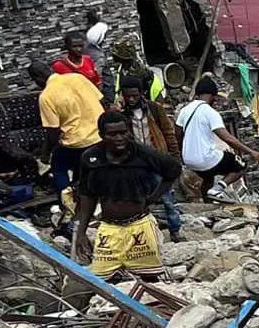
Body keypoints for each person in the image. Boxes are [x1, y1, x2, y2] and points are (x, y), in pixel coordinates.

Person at [72, 110, 181, 280]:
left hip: (140, 226)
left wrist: (153, 197)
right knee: (101, 280)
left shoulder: (143, 154)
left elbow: (173, 170)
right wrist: (81, 232)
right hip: (109, 228)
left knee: (150, 279)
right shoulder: (91, 158)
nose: (119, 138)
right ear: (101, 135)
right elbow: (87, 196)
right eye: (112, 134)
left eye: (123, 133)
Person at [176, 76, 259, 201]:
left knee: (208, 177)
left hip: (189, 160)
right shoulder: (210, 113)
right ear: (213, 95)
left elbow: (178, 135)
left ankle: (207, 202)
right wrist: (251, 152)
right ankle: (219, 188)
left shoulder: (184, 111)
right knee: (241, 166)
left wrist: (183, 154)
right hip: (205, 159)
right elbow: (227, 138)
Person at [116, 79, 183, 241]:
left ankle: (175, 231)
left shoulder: (155, 109)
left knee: (168, 199)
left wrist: (174, 158)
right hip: (136, 164)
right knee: (141, 199)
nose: (131, 99)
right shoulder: (122, 115)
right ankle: (149, 233)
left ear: (141, 94)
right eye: (128, 96)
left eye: (134, 96)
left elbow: (168, 133)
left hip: (158, 160)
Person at [36, 58, 104, 206]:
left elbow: (53, 132)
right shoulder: (77, 78)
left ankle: (67, 203)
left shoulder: (46, 96)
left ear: (38, 79)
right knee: (81, 169)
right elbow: (101, 101)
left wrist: (45, 154)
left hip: (77, 143)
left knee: (58, 165)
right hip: (100, 136)